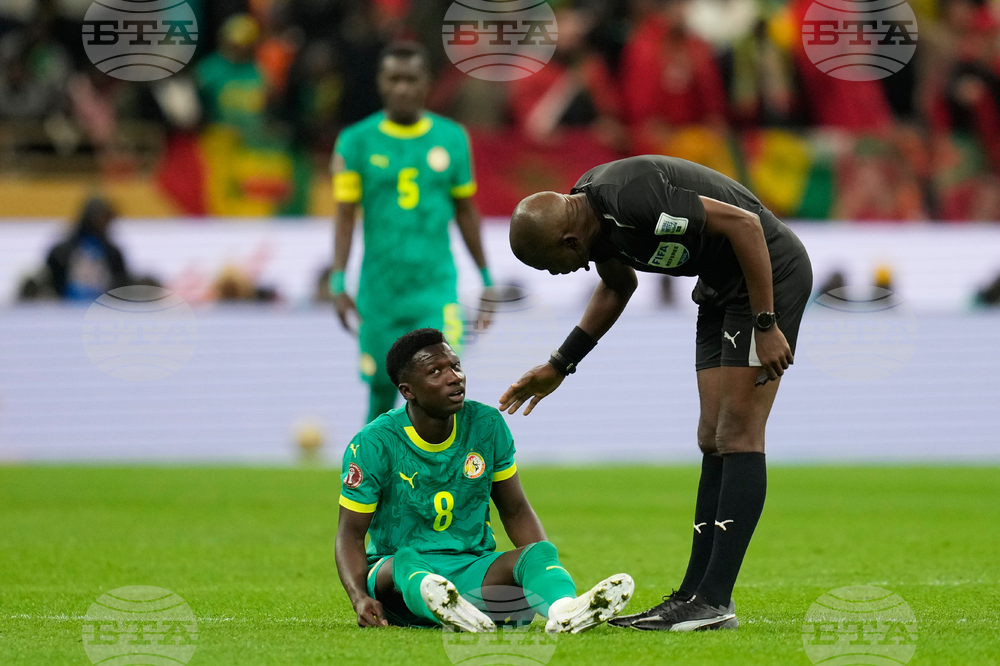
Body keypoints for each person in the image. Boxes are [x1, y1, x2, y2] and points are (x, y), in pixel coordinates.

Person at [500, 155, 813, 631]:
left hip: (767, 277)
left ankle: (714, 600)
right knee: (712, 436)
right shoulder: (590, 218)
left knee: (739, 433)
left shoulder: (632, 198)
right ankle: (692, 595)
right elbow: (617, 285)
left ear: (569, 239)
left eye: (551, 265)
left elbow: (747, 226)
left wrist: (766, 323)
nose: (557, 273)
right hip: (718, 287)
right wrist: (560, 364)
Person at [335, 328, 634, 632]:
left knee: (539, 553)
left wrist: (539, 574)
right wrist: (359, 597)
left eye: (455, 365)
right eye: (435, 371)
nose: (454, 377)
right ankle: (443, 603)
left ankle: (564, 612)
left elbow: (515, 510)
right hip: (395, 578)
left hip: (470, 568)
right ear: (408, 391)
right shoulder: (373, 443)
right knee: (407, 560)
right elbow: (350, 535)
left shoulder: (486, 425)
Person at [330, 41, 493, 423]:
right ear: (380, 84)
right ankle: (368, 477)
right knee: (380, 389)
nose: (402, 88)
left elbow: (466, 212)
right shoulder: (355, 141)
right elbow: (344, 216)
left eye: (410, 79)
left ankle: (440, 476)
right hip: (380, 290)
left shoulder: (452, 138)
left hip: (433, 286)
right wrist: (338, 280)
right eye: (393, 79)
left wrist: (486, 278)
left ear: (426, 84)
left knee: (440, 383)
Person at [45, 197, 129, 301]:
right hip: (66, 307)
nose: (105, 224)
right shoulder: (62, 252)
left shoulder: (112, 253)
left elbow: (122, 282)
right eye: (102, 218)